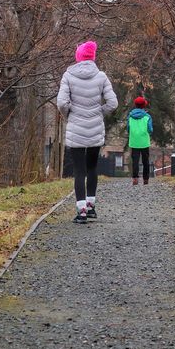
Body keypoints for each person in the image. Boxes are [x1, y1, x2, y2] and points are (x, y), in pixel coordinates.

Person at [57, 41, 118, 224]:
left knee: (79, 171)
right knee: (92, 168)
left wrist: (69, 114)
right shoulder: (101, 77)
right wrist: (100, 112)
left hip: (76, 127)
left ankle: (81, 211)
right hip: (95, 128)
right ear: (92, 57)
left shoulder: (68, 76)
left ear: (78, 57)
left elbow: (61, 103)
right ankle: (91, 207)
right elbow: (113, 103)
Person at [127, 96, 153, 185]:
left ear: (135, 105)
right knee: (145, 161)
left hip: (134, 141)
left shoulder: (130, 116)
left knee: (135, 161)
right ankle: (146, 179)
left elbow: (128, 128)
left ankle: (135, 178)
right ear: (143, 105)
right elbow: (150, 129)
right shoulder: (147, 116)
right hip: (144, 141)